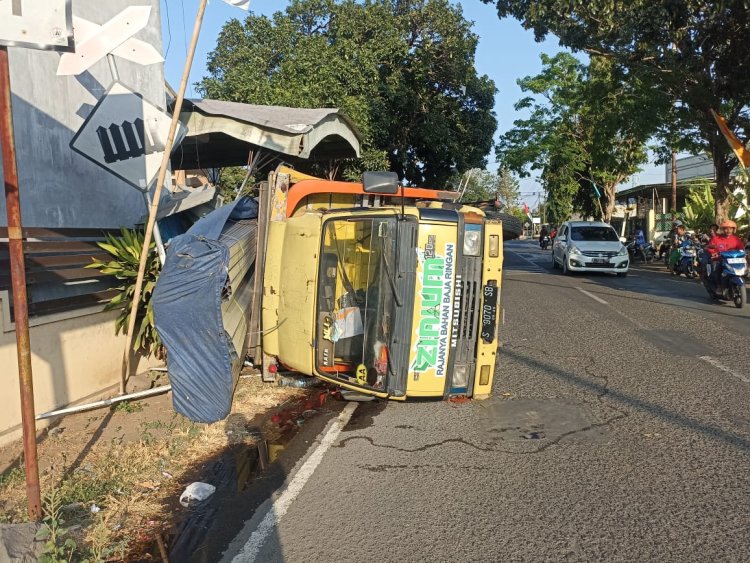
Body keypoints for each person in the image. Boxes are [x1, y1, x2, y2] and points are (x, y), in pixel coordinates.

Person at [705, 219, 744, 290]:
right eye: (726, 228)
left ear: (733, 230)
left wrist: (744, 253)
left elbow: (741, 249)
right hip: (719, 260)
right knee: (716, 269)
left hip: (733, 260)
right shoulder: (716, 238)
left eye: (730, 229)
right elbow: (710, 247)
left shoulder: (736, 239)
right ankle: (719, 286)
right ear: (723, 229)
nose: (728, 230)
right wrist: (713, 253)